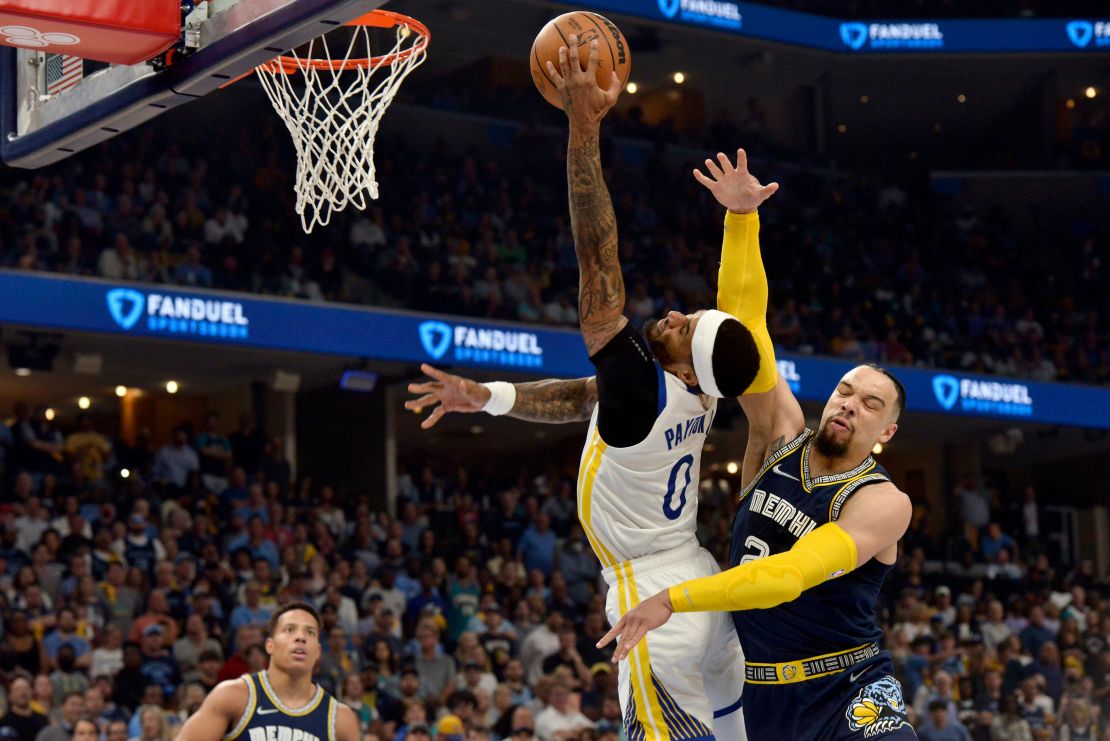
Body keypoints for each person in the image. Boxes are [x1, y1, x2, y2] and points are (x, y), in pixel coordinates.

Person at [406, 34, 780, 741]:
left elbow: (596, 253)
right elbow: (586, 399)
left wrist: (584, 125)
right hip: (700, 581)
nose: (670, 314)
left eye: (682, 323)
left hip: (652, 600)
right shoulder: (691, 394)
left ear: (681, 363)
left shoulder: (643, 382)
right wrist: (489, 396)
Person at [598, 93, 916, 741]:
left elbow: (790, 574)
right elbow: (746, 334)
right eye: (847, 391)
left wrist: (672, 598)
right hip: (764, 691)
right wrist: (741, 222)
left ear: (887, 432)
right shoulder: (777, 433)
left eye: (871, 404)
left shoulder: (883, 501)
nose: (850, 403)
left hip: (851, 686)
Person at [175, 601, 359, 740]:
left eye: (310, 633)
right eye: (289, 630)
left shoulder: (340, 719)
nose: (301, 638)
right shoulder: (234, 696)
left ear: (318, 651)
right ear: (270, 645)